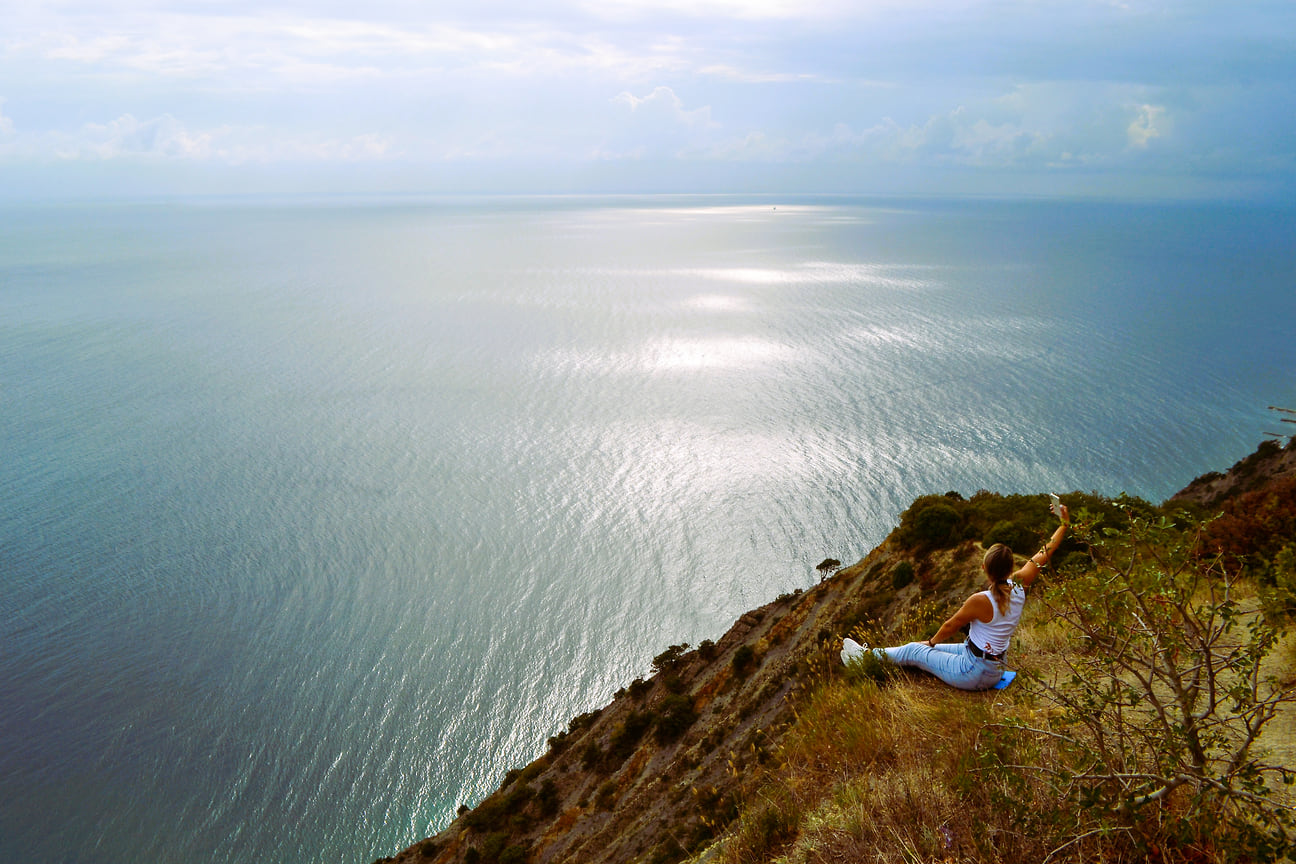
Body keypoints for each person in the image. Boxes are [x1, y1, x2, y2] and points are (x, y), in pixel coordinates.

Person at [841, 503, 1070, 691]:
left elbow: (952, 624)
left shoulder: (980, 600)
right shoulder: (1021, 584)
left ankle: (866, 660)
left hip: (974, 672)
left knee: (916, 650)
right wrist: (1064, 524)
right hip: (992, 664)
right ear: (1011, 567)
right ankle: (870, 655)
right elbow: (1047, 550)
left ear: (984, 568)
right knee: (917, 648)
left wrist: (930, 642)